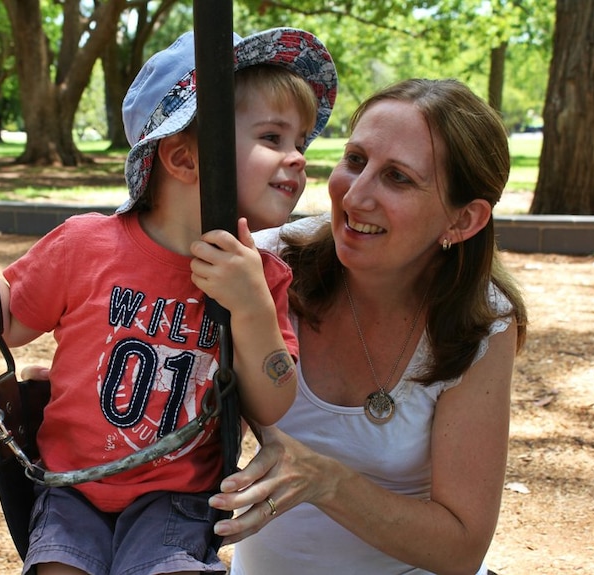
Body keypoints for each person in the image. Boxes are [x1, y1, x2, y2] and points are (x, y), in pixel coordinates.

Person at [0, 28, 337, 575]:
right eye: (273, 137)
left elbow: (272, 403)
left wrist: (253, 310)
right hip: (70, 490)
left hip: (179, 498)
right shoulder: (84, 244)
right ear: (185, 158)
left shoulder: (262, 276)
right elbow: (5, 321)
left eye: (301, 142)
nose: (298, 159)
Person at [207, 78, 528, 575]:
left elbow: (463, 546)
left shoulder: (482, 321)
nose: (355, 197)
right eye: (355, 160)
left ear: (463, 220)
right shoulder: (265, 266)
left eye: (397, 177)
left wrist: (326, 480)